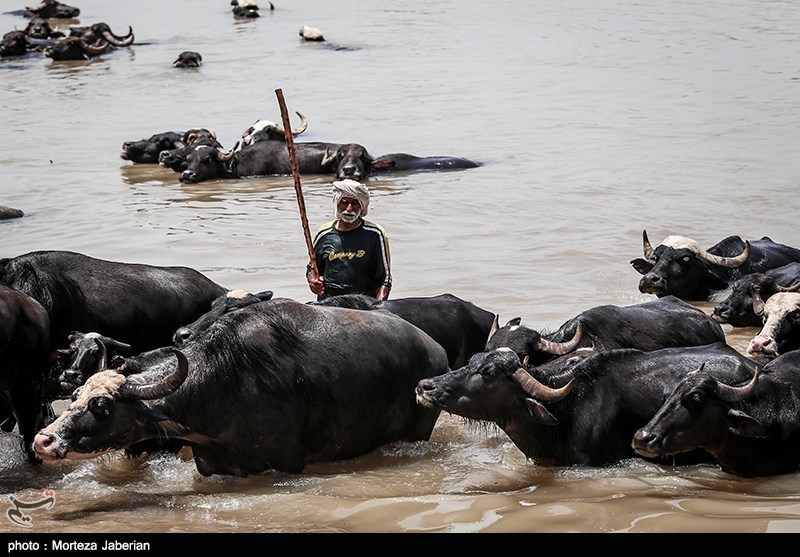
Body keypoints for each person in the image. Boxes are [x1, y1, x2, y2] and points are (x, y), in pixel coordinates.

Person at [306, 179, 392, 301]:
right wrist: (313, 282)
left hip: (363, 305)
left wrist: (378, 309)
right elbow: (312, 267)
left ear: (362, 206)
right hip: (329, 306)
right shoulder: (324, 234)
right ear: (337, 204)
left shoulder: (375, 234)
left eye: (355, 203)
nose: (349, 208)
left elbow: (385, 279)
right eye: (345, 202)